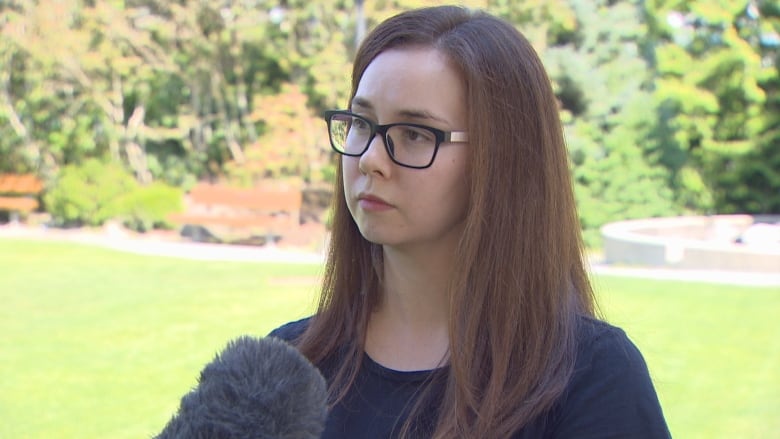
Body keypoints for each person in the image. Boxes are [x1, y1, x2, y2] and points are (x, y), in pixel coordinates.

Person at [271, 5, 671, 438]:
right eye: (361, 124)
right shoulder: (282, 369)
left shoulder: (591, 380)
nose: (370, 160)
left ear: (499, 159)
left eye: (415, 133)